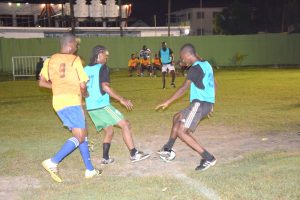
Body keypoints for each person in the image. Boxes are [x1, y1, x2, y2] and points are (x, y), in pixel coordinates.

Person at [39, 33, 101, 183]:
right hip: (72, 101)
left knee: (82, 133)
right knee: (80, 136)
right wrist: (85, 94)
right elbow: (82, 85)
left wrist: (59, 88)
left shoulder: (50, 59)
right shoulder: (75, 59)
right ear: (71, 44)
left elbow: (41, 82)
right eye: (76, 45)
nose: (77, 47)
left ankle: (90, 169)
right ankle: (53, 162)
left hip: (58, 102)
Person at [84, 45, 150, 164]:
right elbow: (105, 87)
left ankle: (105, 158)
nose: (107, 57)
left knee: (109, 130)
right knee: (125, 124)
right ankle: (134, 153)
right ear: (99, 55)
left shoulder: (85, 69)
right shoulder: (103, 68)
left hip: (91, 108)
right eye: (105, 54)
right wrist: (121, 99)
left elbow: (82, 88)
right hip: (102, 106)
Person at [156, 43, 216, 171]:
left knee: (182, 132)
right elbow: (214, 83)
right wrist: (212, 104)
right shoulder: (206, 64)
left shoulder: (194, 69)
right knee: (176, 117)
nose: (182, 61)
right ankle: (167, 148)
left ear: (188, 55)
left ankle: (208, 158)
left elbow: (184, 88)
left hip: (199, 104)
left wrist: (168, 101)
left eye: (183, 58)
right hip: (204, 103)